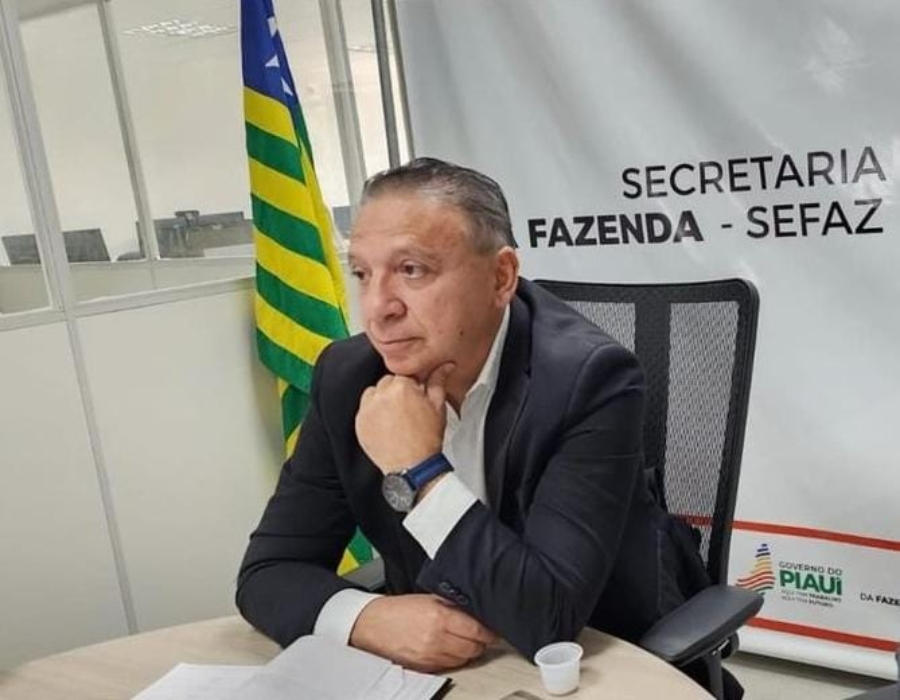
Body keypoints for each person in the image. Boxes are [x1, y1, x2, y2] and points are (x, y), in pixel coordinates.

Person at [237, 157, 710, 675]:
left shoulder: (590, 380)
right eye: (363, 274)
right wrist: (366, 617)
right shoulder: (348, 377)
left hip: (594, 663)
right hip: (438, 670)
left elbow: (548, 620)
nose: (377, 308)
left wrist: (419, 470)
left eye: (412, 270)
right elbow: (268, 572)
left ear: (501, 277)